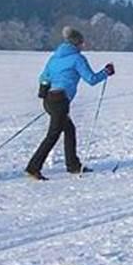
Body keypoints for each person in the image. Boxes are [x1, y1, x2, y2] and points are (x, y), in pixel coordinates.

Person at [25, 26, 115, 180]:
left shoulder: (54, 57)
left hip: (50, 99)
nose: (83, 46)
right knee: (53, 135)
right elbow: (91, 79)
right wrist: (106, 72)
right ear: (76, 43)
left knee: (69, 130)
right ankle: (33, 168)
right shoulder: (77, 58)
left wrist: (45, 93)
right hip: (60, 100)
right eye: (81, 43)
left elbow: (43, 77)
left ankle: (73, 165)